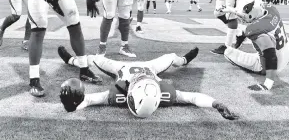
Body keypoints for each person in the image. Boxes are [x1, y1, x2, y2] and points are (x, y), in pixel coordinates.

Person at [58, 46, 238, 120]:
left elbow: (88, 99)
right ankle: (184, 60)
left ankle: (71, 61)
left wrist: (72, 106)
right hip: (150, 67)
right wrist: (215, 103)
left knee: (93, 59)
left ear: (129, 95)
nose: (139, 80)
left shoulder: (118, 95)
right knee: (171, 58)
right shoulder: (165, 93)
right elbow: (192, 97)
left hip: (120, 68)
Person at [219, 0, 289, 91]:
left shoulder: (256, 29)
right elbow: (250, 11)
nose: (242, 18)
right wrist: (230, 9)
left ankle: (266, 75)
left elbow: (271, 56)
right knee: (258, 46)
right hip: (286, 52)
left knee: (228, 53)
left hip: (271, 63)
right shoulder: (271, 10)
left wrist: (267, 84)